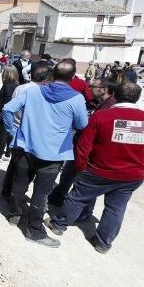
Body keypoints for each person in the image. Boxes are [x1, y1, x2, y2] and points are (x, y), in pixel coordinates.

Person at [45, 83, 144, 253]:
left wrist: (81, 168)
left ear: (115, 95)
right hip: (131, 176)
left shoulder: (101, 116)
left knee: (77, 198)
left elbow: (83, 146)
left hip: (98, 171)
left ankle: (59, 225)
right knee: (116, 208)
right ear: (138, 98)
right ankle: (103, 243)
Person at [2, 62, 88, 247]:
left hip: (26, 148)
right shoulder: (77, 98)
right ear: (72, 78)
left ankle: (14, 215)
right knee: (41, 194)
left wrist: (13, 132)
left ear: (52, 74)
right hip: (53, 154)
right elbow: (81, 124)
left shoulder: (32, 91)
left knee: (19, 185)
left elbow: (8, 109)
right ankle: (34, 231)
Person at [48, 78, 116, 207]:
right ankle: (58, 197)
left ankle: (82, 210)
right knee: (68, 173)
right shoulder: (99, 103)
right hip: (81, 145)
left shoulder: (110, 107)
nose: (89, 89)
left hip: (90, 149)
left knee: (85, 181)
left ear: (104, 90)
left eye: (93, 87)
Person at [0, 65, 51, 197]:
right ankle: (14, 196)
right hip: (24, 132)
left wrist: (10, 129)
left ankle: (6, 190)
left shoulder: (20, 87)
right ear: (45, 80)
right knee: (22, 169)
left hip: (15, 129)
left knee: (14, 163)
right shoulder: (37, 91)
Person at [0, 66, 19, 162]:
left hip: (5, 113)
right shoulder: (16, 85)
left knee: (3, 135)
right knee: (9, 134)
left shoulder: (7, 85)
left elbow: (7, 102)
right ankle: (7, 154)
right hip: (13, 113)